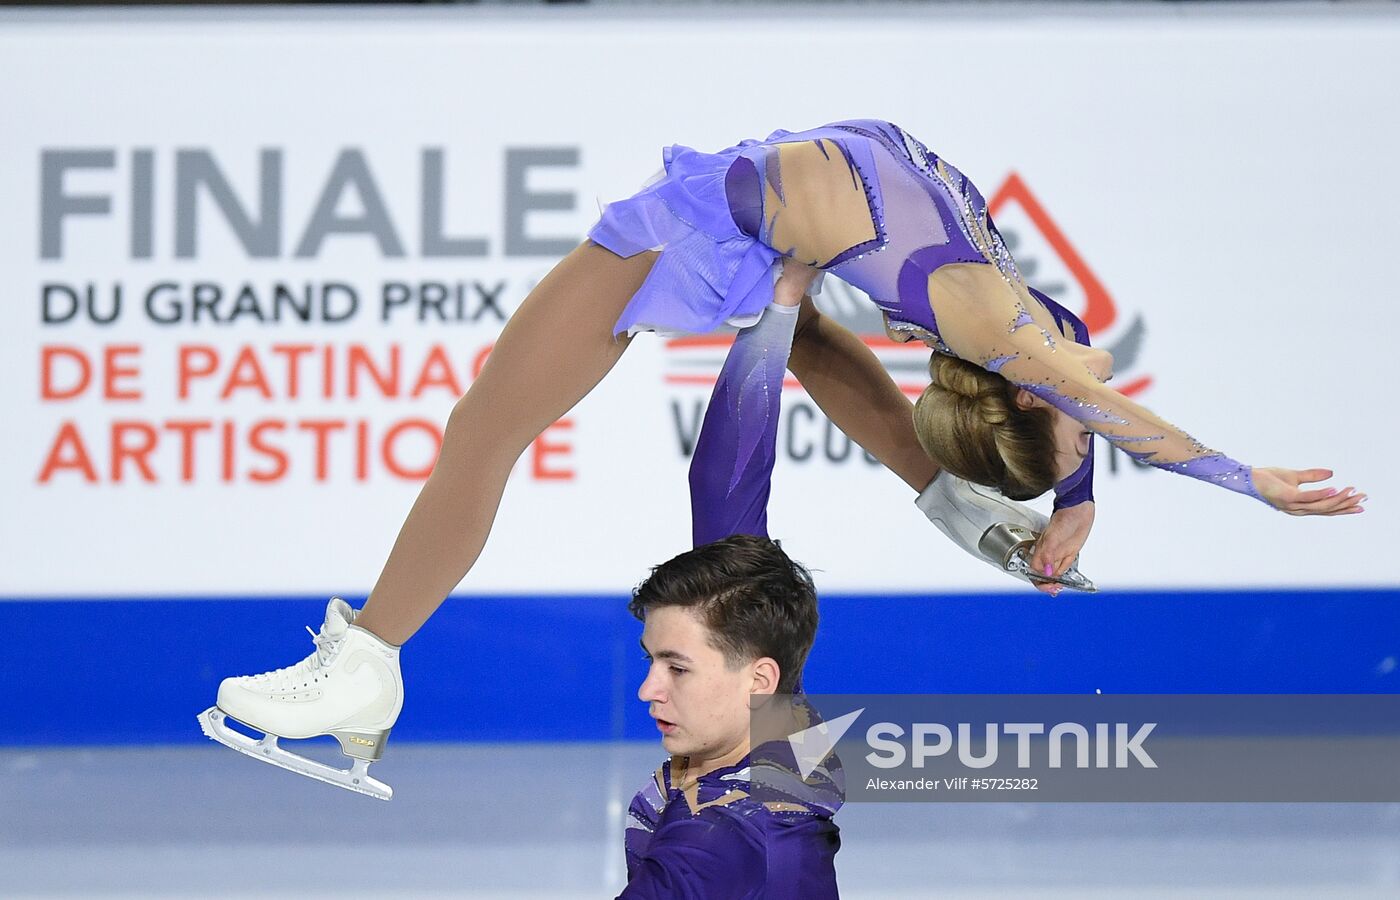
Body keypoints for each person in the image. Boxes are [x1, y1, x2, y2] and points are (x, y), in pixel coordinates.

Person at [199, 118, 1361, 796]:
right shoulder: (1025, 328)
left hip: (703, 224)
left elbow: (1093, 411)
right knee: (783, 334)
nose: (1090, 407)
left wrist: (1240, 480)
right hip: (753, 221)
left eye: (1072, 433)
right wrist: (1090, 495)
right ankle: (956, 506)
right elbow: (1082, 401)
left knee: (486, 431)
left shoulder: (1010, 325)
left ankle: (369, 664)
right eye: (1076, 438)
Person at [620, 534, 841, 899]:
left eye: (677, 668)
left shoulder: (710, 839)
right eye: (652, 659)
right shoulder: (793, 732)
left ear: (759, 681)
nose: (648, 690)